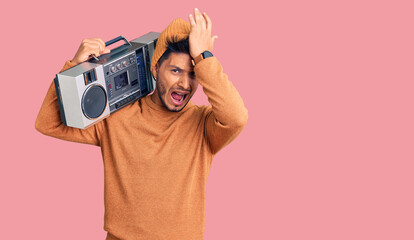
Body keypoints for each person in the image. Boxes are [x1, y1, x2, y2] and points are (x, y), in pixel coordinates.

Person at [35, 8, 248, 240]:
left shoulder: (205, 126)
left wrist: (204, 57)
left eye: (193, 73)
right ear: (155, 68)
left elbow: (237, 117)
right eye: (176, 70)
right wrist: (74, 67)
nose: (185, 84)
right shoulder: (117, 117)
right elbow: (48, 122)